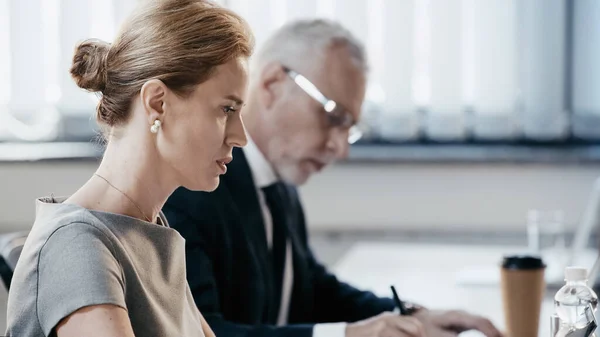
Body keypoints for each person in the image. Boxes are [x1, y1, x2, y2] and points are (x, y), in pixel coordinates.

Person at [163, 19, 504, 337]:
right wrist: (347, 334)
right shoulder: (194, 186)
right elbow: (202, 330)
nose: (340, 148)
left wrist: (410, 316)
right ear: (272, 85)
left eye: (349, 128)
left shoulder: (278, 182)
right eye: (333, 116)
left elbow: (310, 287)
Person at [5, 1, 253, 336]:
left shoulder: (151, 231)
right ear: (157, 103)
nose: (241, 137)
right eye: (227, 109)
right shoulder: (77, 244)